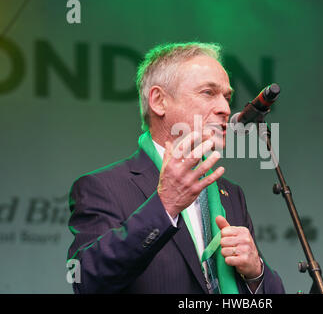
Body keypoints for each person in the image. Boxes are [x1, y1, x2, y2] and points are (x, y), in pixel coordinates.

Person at [67, 42, 285, 294]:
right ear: (159, 101)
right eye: (208, 92)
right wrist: (165, 205)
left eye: (227, 97)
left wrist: (255, 271)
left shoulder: (231, 193)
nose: (225, 109)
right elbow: (87, 280)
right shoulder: (103, 187)